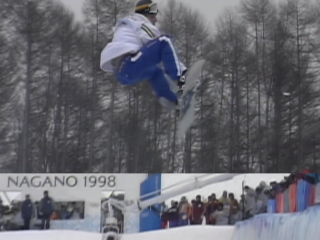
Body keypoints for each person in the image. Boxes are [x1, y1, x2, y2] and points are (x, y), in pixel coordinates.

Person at [100, 0, 187, 112]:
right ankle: (181, 77)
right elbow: (158, 42)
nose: (156, 20)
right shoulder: (140, 24)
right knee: (165, 41)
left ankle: (171, 100)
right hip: (130, 63)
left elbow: (151, 52)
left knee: (156, 72)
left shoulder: (127, 25)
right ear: (146, 15)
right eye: (153, 16)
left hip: (123, 74)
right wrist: (183, 71)